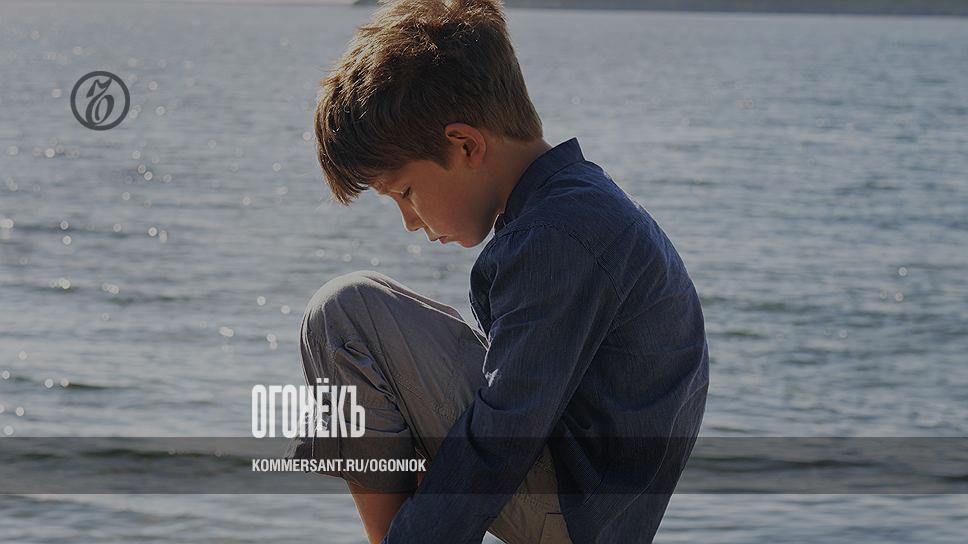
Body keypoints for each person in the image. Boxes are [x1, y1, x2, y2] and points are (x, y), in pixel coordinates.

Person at [286, 1, 709, 542]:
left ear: (465, 145)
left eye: (405, 193)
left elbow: (504, 436)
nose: (409, 222)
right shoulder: (575, 207)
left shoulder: (557, 236)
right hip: (592, 504)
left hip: (576, 513)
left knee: (345, 313)